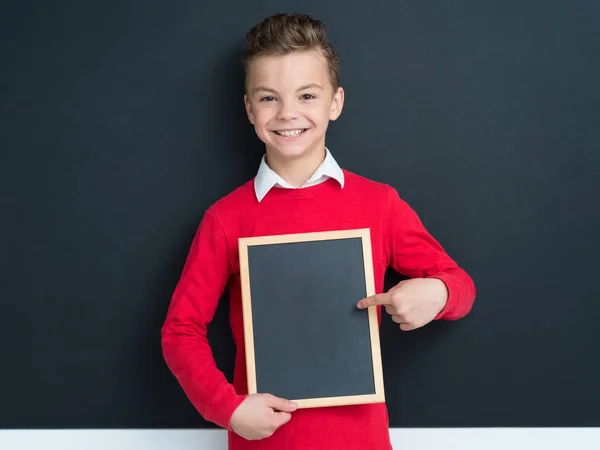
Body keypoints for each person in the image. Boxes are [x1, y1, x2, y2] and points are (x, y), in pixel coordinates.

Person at [161, 12, 476, 450]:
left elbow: (461, 286)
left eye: (307, 95)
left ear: (335, 102)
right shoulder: (227, 218)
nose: (288, 113)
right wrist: (227, 408)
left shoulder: (378, 204)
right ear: (249, 108)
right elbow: (181, 330)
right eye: (269, 98)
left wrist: (438, 294)